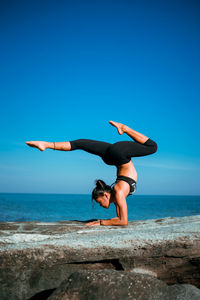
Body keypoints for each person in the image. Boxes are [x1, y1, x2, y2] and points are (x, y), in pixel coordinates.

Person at [26, 121, 158, 227]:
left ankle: (47, 144)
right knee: (80, 144)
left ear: (106, 195)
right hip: (117, 155)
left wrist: (101, 222)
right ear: (106, 195)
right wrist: (103, 222)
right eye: (99, 203)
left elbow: (121, 221)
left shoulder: (118, 192)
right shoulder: (118, 193)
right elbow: (122, 221)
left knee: (79, 144)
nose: (100, 205)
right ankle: (46, 144)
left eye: (99, 202)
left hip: (117, 155)